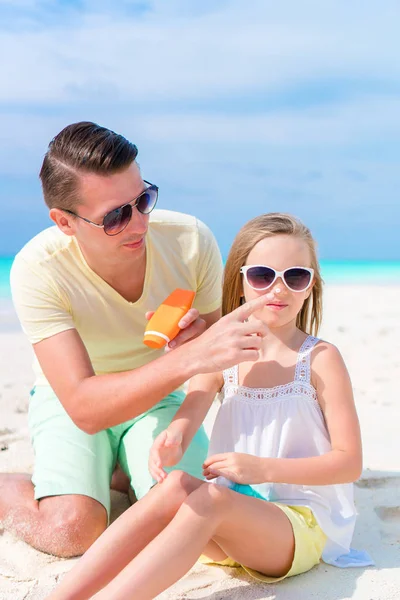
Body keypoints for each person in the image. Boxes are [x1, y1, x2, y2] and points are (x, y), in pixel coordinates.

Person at [46, 212, 373, 600]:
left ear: (310, 286)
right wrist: (172, 438)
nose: (278, 290)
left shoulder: (319, 359)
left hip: (299, 523)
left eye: (295, 276)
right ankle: (62, 596)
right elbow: (190, 412)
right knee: (178, 487)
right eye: (263, 276)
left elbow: (348, 463)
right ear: (239, 282)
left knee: (211, 498)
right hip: (233, 517)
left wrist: (260, 468)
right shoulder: (225, 353)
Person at [2, 121, 269, 558]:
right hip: (70, 402)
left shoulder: (190, 241)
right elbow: (84, 407)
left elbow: (218, 360)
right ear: (65, 222)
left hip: (160, 398)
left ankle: (112, 470)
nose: (139, 222)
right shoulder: (38, 268)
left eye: (143, 199)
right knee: (73, 531)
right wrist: (188, 360)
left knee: (182, 520)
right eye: (115, 216)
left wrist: (194, 378)